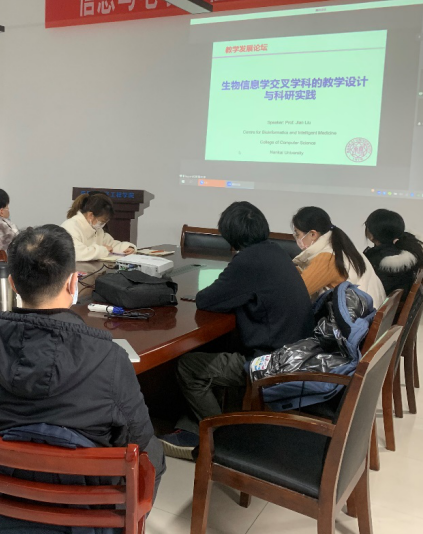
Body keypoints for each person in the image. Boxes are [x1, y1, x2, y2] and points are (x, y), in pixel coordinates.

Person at [0, 225, 165, 534]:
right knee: (154, 451)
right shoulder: (109, 358)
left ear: (12, 283)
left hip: (7, 485)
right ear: (73, 282)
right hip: (83, 498)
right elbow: (137, 437)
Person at [161, 202, 314, 459]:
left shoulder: (249, 261)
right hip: (296, 351)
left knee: (188, 367)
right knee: (218, 346)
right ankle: (192, 423)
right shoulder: (275, 252)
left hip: (272, 362)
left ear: (230, 236)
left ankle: (222, 436)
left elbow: (207, 300)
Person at [292, 206, 386, 305]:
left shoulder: (327, 258)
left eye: (297, 234)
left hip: (359, 313)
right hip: (371, 309)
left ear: (313, 234)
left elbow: (295, 293)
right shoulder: (339, 246)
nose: (296, 238)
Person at [363, 209, 423, 298]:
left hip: (384, 302)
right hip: (400, 298)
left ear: (371, 236)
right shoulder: (412, 247)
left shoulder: (379, 262)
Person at [60, 192, 136, 261]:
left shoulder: (96, 229)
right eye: (102, 221)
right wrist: (103, 250)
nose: (103, 225)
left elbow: (111, 244)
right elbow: (77, 253)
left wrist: (127, 248)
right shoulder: (70, 227)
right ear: (91, 215)